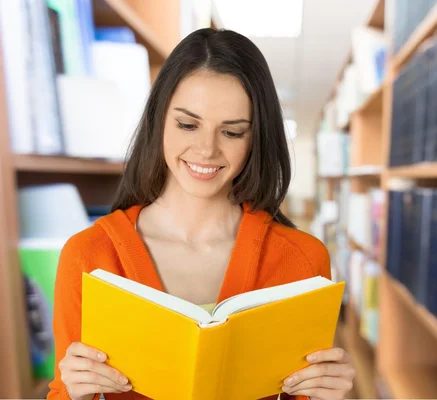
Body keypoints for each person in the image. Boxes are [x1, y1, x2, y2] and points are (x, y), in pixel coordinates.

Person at [47, 28, 355, 400]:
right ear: (159, 119)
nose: (206, 149)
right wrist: (76, 394)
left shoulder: (304, 260)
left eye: (232, 132)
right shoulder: (89, 256)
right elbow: (63, 391)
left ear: (256, 138)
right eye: (187, 124)